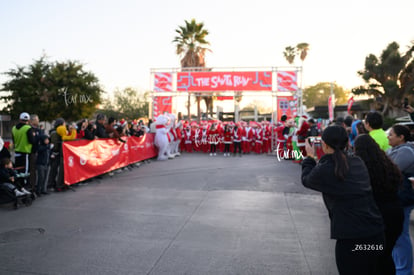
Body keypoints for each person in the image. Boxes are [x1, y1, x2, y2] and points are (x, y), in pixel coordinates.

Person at [302, 125, 385, 275]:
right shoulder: (357, 161)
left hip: (351, 240)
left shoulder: (327, 169)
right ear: (347, 143)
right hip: (376, 235)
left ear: (325, 145)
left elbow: (307, 179)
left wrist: (309, 157)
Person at [354, 134, 404, 275]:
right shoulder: (388, 165)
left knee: (369, 256)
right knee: (385, 255)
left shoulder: (360, 169)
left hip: (375, 220)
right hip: (395, 217)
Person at [387, 124, 414, 275]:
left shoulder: (406, 151)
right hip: (396, 198)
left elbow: (391, 170)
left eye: (391, 134)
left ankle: (404, 270)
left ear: (401, 137)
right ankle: (399, 267)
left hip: (403, 198)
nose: (388, 137)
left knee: (401, 234)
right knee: (396, 234)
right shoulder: (394, 150)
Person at [12, 112, 35, 185]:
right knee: (25, 172)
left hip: (16, 153)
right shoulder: (28, 128)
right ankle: (25, 186)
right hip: (25, 153)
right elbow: (32, 141)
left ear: (20, 119)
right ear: (28, 120)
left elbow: (13, 140)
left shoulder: (14, 128)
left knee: (18, 170)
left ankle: (19, 185)